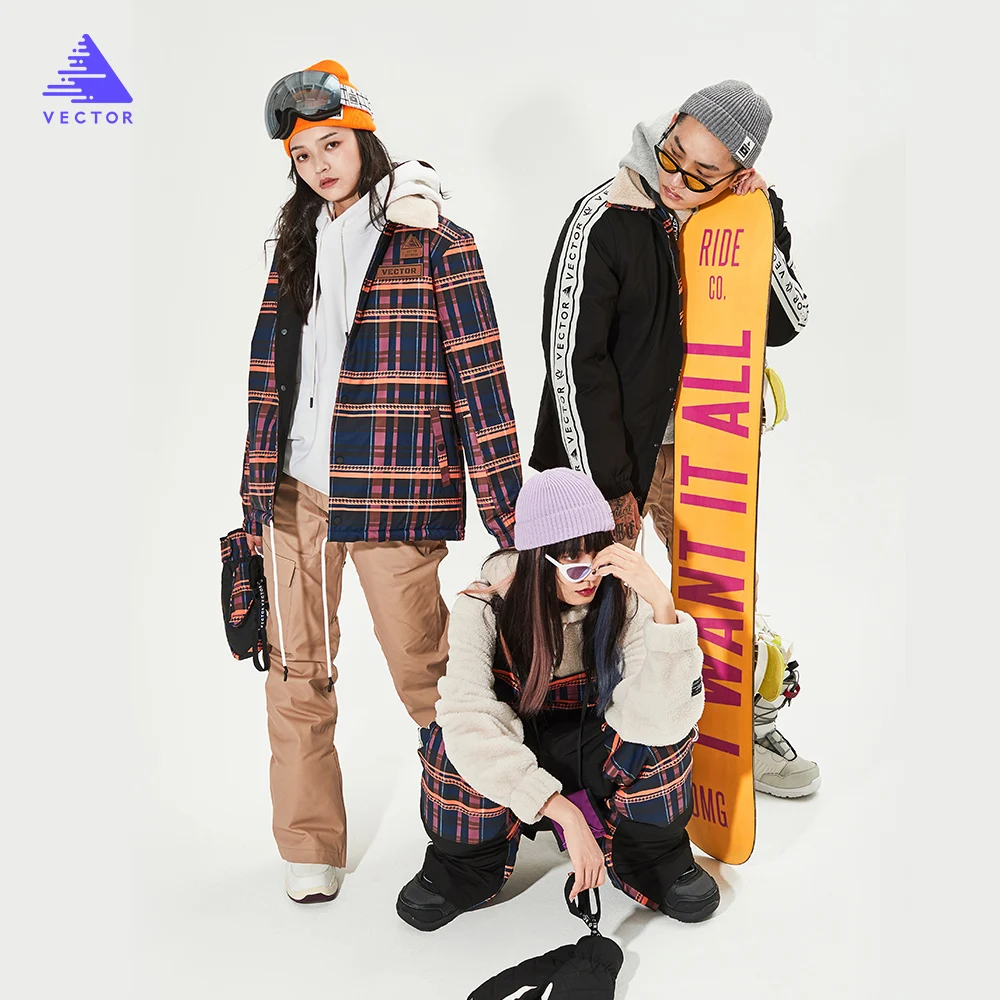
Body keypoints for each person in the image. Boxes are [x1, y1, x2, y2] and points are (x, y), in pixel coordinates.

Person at [223, 59, 522, 904]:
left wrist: (512, 529)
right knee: (297, 675)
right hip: (293, 494)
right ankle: (309, 847)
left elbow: (482, 385)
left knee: (430, 675)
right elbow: (269, 384)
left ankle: (479, 829)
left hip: (394, 492)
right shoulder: (294, 249)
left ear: (363, 137)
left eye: (332, 144)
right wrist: (252, 501)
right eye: (302, 154)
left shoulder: (436, 242)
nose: (319, 164)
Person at [529, 80, 820, 798]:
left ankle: (735, 734)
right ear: (668, 128)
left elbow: (787, 321)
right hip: (608, 453)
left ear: (737, 171)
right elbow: (570, 359)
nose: (678, 179)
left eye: (703, 173)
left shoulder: (739, 218)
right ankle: (580, 762)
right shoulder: (606, 215)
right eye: (673, 153)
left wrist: (763, 215)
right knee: (591, 613)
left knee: (721, 597)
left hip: (705, 447)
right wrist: (603, 487)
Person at [395, 468, 720, 930]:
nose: (590, 576)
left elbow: (665, 716)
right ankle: (463, 868)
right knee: (453, 742)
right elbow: (469, 720)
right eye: (572, 561)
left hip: (591, 747)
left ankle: (653, 860)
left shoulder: (624, 602)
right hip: (518, 750)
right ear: (538, 560)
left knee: (665, 736)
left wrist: (663, 608)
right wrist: (561, 810)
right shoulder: (484, 608)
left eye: (597, 554)